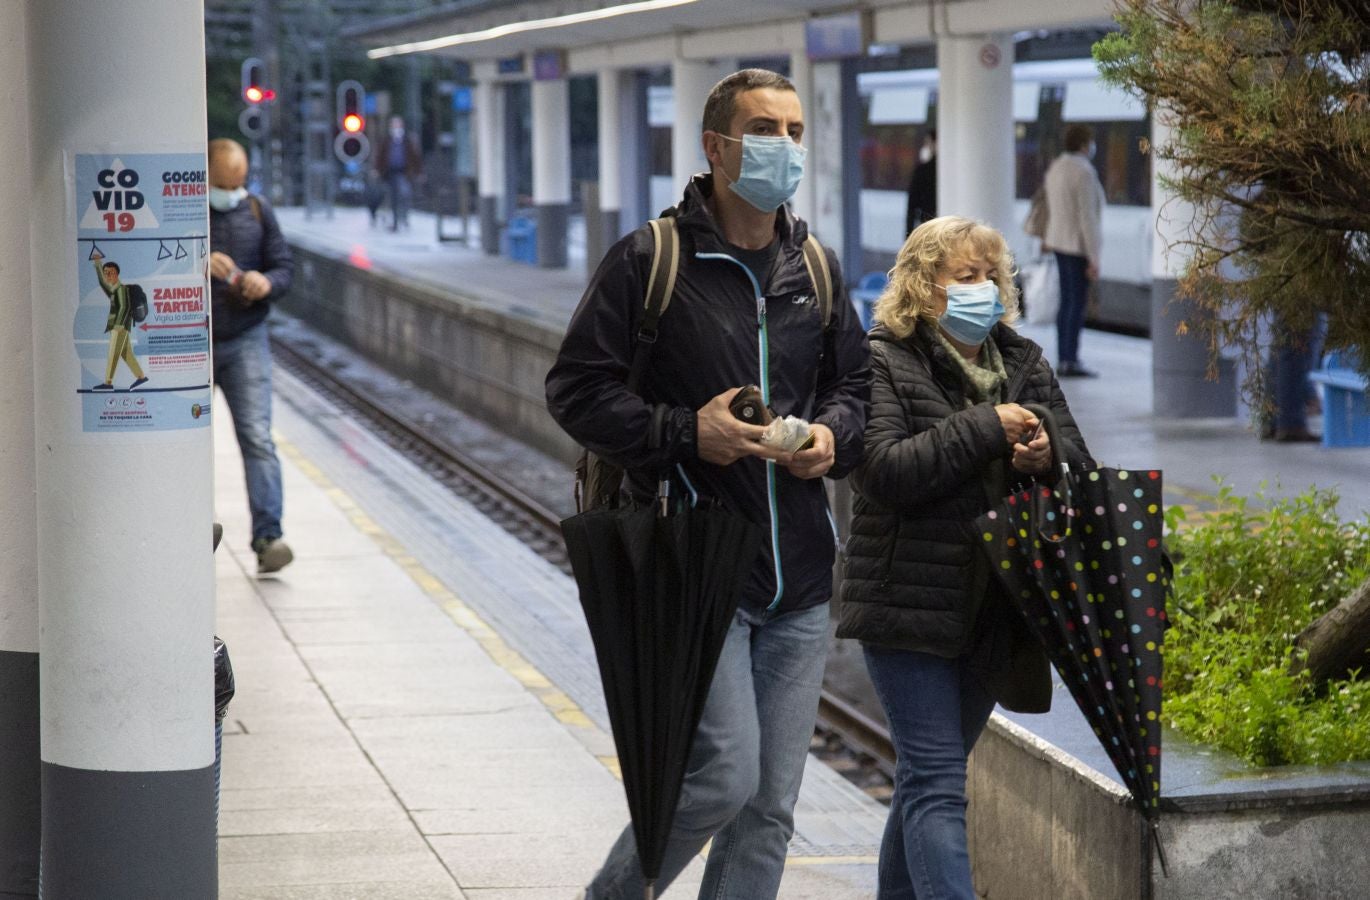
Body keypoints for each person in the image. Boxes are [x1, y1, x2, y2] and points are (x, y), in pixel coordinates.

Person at [546, 68, 870, 899]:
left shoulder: (817, 271)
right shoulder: (650, 260)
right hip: (700, 565)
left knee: (770, 809)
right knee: (723, 780)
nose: (785, 147)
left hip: (798, 571)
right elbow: (576, 390)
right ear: (716, 146)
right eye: (766, 129)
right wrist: (691, 433)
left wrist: (832, 435)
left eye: (796, 131)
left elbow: (858, 389)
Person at [837, 216, 1093, 899]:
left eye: (989, 275)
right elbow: (883, 470)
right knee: (939, 784)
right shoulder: (881, 361)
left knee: (926, 780)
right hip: (906, 609)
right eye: (965, 276)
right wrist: (988, 427)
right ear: (923, 288)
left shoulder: (1027, 362)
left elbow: (1079, 467)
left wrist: (1047, 458)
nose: (984, 288)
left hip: (996, 614)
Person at [207, 138, 295, 574]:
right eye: (223, 185)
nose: (231, 193)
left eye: (238, 184)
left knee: (258, 437)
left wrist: (267, 282)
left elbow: (284, 267)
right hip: (192, 344)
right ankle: (190, 526)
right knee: (187, 443)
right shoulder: (184, 212)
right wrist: (197, 261)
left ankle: (268, 536)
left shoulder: (258, 210)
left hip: (246, 338)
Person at [1042, 124, 1105, 377]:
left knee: (1066, 300)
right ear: (1084, 144)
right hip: (1077, 246)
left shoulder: (1056, 167)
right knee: (1076, 303)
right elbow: (1087, 218)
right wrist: (1094, 257)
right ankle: (1071, 359)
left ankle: (1063, 357)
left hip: (1058, 242)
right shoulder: (1084, 172)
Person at [90, 253, 148, 391]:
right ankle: (141, 377)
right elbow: (102, 283)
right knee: (126, 354)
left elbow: (124, 306)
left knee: (113, 353)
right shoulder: (113, 290)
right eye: (106, 273)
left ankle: (108, 383)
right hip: (119, 326)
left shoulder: (120, 289)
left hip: (120, 326)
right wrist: (98, 264)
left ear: (116, 274)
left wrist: (118, 325)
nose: (108, 275)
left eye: (110, 273)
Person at [375, 115, 422, 231]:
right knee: (392, 196)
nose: (396, 127)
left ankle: (403, 217)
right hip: (389, 172)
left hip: (403, 172)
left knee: (404, 193)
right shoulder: (386, 140)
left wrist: (418, 171)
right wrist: (377, 169)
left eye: (398, 124)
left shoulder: (408, 140)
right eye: (394, 124)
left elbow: (415, 157)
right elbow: (380, 156)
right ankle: (395, 221)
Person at [905, 130, 937, 235]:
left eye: (928, 143)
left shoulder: (924, 170)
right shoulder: (925, 169)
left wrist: (908, 235)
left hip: (930, 226)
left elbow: (912, 205)